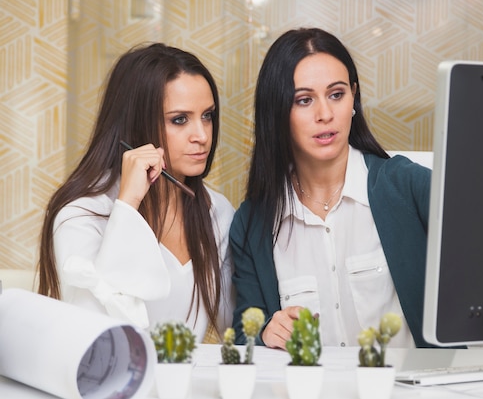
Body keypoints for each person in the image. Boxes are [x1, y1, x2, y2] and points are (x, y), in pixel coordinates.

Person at [230, 27, 433, 349]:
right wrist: (266, 332)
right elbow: (244, 334)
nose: (325, 114)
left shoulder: (407, 185)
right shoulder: (252, 223)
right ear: (278, 111)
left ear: (354, 97)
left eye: (336, 94)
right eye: (304, 100)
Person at [38, 43, 234, 342]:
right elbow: (95, 332)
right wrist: (127, 206)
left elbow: (236, 327)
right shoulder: (81, 215)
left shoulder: (217, 211)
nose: (202, 136)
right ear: (135, 123)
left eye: (207, 116)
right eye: (179, 119)